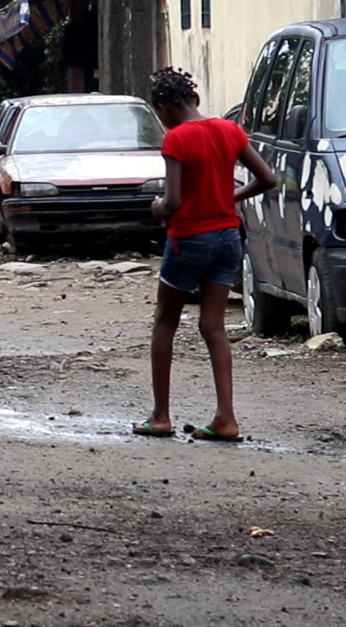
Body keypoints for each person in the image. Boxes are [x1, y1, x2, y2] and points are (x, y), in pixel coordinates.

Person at [135, 68, 276, 442]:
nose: (162, 121)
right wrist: (229, 197)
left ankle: (161, 416)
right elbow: (268, 178)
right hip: (228, 237)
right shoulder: (229, 131)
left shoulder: (177, 140)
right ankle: (226, 418)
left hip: (188, 240)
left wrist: (157, 207)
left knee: (165, 321)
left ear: (170, 105)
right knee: (213, 327)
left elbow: (175, 201)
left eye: (160, 113)